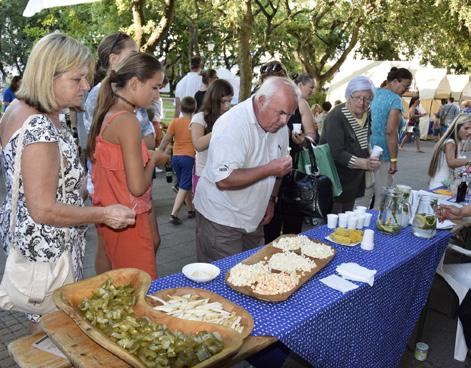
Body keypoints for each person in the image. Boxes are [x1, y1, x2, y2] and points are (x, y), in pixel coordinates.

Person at [0, 33, 135, 328]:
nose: (86, 86)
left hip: (36, 246)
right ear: (49, 76)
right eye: (77, 79)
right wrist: (104, 213)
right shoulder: (39, 127)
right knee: (55, 332)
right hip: (48, 254)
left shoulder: (20, 109)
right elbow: (44, 210)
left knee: (48, 329)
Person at [193, 77, 298, 262]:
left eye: (290, 114)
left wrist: (271, 199)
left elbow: (279, 170)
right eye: (281, 113)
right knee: (223, 281)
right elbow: (224, 179)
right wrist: (269, 169)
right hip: (220, 219)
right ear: (261, 101)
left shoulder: (280, 128)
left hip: (253, 218)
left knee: (249, 274)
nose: (284, 121)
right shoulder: (233, 124)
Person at [87, 52, 169, 279]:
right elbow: (137, 186)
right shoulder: (127, 121)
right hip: (128, 218)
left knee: (119, 281)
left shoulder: (108, 113)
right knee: (137, 287)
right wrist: (155, 158)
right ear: (134, 83)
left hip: (113, 213)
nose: (157, 94)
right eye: (154, 87)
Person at [264, 73, 317, 243]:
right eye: (311, 87)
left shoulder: (301, 104)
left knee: (292, 223)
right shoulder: (264, 102)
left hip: (293, 172)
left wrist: (303, 141)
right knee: (269, 222)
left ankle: (291, 256)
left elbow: (311, 136)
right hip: (268, 168)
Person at [320, 76, 380, 213]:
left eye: (367, 98)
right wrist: (364, 163)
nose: (362, 102)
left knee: (347, 216)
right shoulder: (336, 116)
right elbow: (336, 152)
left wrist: (370, 153)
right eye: (357, 97)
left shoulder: (367, 113)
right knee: (334, 218)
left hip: (353, 177)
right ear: (348, 96)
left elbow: (363, 139)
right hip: (335, 179)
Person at [370, 67, 413, 208]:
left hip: (366, 148)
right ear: (395, 81)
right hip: (383, 152)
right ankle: (374, 227)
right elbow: (390, 131)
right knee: (380, 198)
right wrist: (394, 160)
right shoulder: (395, 100)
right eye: (405, 87)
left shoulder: (373, 92)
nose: (405, 91)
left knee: (364, 196)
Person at [190, 79, 234, 193]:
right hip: (204, 176)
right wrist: (220, 127)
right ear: (213, 100)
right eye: (224, 101)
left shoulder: (230, 117)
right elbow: (198, 145)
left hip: (225, 175)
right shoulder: (199, 118)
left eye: (230, 101)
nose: (227, 106)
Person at [159, 96, 196, 224]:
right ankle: (173, 214)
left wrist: (159, 151)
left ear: (180, 108)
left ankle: (191, 210)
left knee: (183, 185)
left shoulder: (175, 122)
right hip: (189, 157)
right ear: (194, 108)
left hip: (176, 157)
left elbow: (166, 139)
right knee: (184, 186)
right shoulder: (195, 123)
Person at [428, 113, 471, 189]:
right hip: (440, 186)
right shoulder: (450, 142)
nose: (469, 132)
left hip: (442, 184)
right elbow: (451, 162)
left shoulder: (455, 141)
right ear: (457, 127)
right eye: (466, 128)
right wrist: (468, 161)